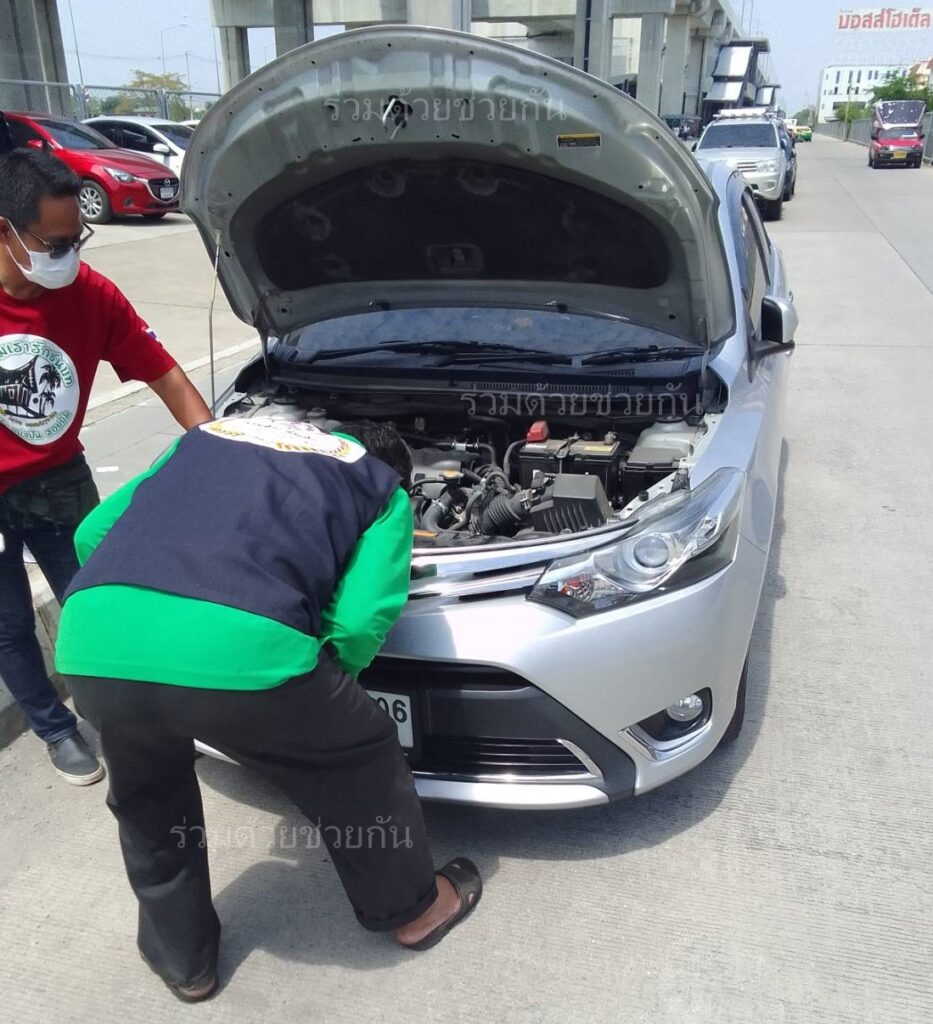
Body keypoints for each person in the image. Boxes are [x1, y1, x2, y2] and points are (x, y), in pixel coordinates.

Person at [56, 415, 482, 1002]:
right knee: (359, 760)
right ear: (397, 469)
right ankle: (415, 912)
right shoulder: (379, 484)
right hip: (241, 654)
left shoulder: (208, 439)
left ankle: (185, 963)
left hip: (91, 645)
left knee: (148, 798)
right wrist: (328, 691)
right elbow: (357, 622)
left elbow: (91, 535)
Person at [0, 148, 212, 785]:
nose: (69, 256)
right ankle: (54, 728)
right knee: (8, 622)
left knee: (101, 602)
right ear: (5, 230)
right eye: (55, 244)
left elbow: (166, 375)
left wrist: (218, 458)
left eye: (77, 241)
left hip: (59, 477)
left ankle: (136, 719)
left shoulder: (91, 295)